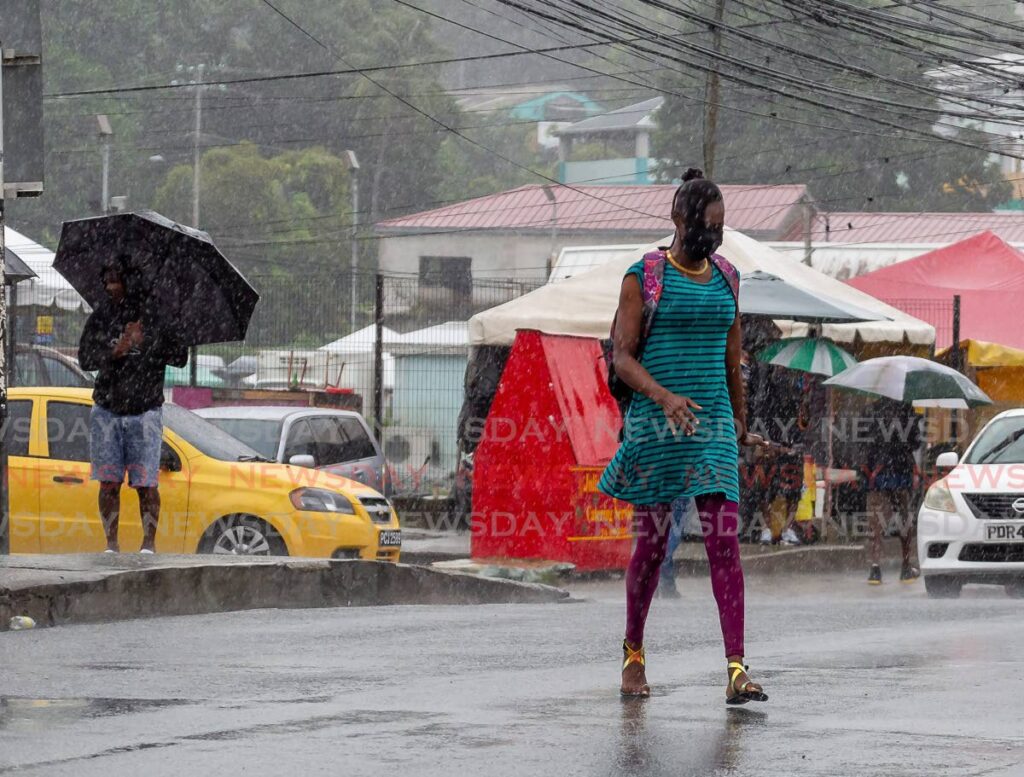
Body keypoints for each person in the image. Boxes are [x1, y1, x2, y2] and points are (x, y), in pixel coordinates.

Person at [598, 168, 769, 705]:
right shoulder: (643, 276)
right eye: (705, 224)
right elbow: (622, 356)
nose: (713, 235)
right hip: (657, 423)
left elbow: (731, 359)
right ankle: (633, 655)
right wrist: (665, 396)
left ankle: (737, 668)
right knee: (650, 547)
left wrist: (739, 423)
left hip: (713, 425)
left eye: (720, 226)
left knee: (724, 542)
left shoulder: (728, 278)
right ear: (678, 218)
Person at [79, 255, 187, 553]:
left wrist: (149, 340)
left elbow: (180, 358)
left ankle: (147, 545)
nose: (108, 286)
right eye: (106, 280)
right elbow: (85, 358)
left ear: (130, 281)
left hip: (144, 412)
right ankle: (111, 544)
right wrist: (117, 349)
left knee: (146, 484)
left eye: (114, 280)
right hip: (107, 410)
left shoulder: (158, 318)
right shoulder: (101, 317)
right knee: (108, 482)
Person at [865, 398, 922, 584]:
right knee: (904, 519)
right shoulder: (907, 408)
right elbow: (915, 443)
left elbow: (866, 443)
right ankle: (905, 567)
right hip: (901, 471)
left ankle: (875, 569)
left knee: (877, 522)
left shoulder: (873, 409)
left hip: (879, 473)